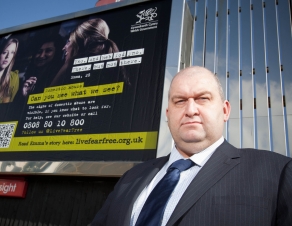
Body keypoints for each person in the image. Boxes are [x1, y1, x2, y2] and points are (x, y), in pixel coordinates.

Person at [91, 66, 292, 225]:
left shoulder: (277, 172)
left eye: (202, 98)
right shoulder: (132, 177)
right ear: (168, 115)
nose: (190, 110)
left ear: (225, 110)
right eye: (179, 101)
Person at [51, 18, 128, 86]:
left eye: (69, 41)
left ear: (79, 45)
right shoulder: (115, 65)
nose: (64, 48)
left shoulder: (73, 63)